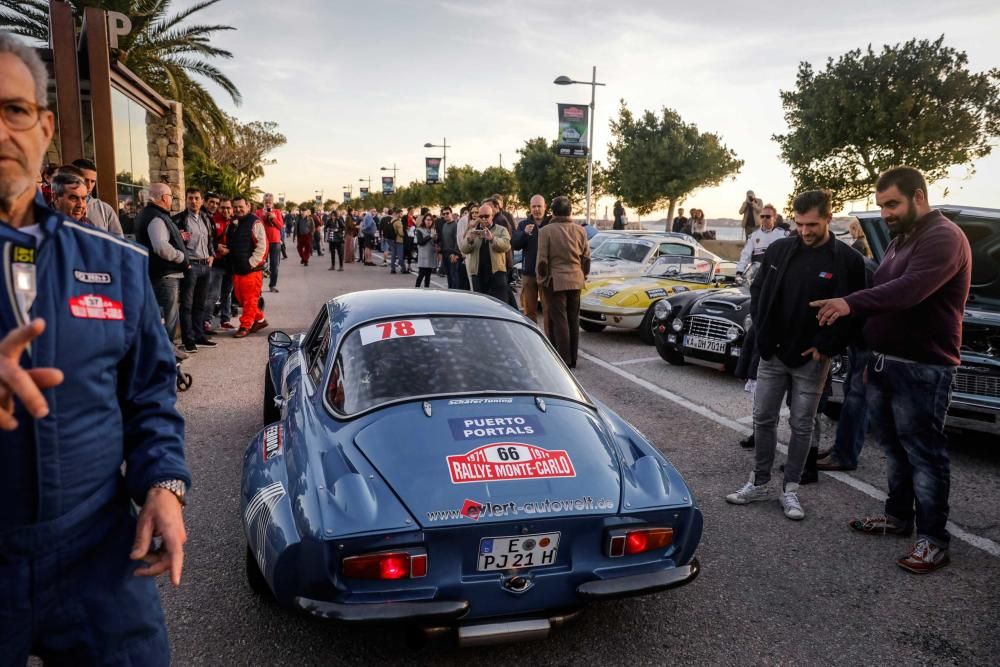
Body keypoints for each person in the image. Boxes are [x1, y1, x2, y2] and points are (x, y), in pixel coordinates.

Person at [0, 34, 190, 664]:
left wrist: (164, 484)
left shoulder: (115, 264)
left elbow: (150, 392)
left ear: (45, 127)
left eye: (15, 110)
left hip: (95, 550)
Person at [812, 167, 972, 574]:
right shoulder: (902, 239)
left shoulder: (943, 237)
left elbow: (909, 290)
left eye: (892, 204)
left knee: (925, 455)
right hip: (884, 364)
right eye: (881, 205)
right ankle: (898, 517)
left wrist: (851, 302)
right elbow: (883, 289)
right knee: (893, 450)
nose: (885, 213)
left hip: (923, 368)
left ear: (919, 197)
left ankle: (934, 539)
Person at [725, 190, 866, 521]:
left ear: (830, 218)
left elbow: (856, 310)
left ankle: (791, 489)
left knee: (802, 424)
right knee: (763, 418)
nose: (804, 231)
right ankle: (759, 482)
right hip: (773, 353)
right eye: (800, 224)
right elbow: (758, 291)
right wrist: (762, 335)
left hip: (813, 359)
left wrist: (827, 346)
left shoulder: (847, 260)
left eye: (812, 225)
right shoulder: (779, 249)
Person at [536, 196, 590, 367]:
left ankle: (562, 360)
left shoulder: (546, 231)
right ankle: (573, 359)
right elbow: (586, 258)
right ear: (570, 211)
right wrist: (583, 275)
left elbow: (542, 261)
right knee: (573, 319)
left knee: (559, 320)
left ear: (552, 211)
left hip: (555, 281)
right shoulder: (580, 230)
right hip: (576, 279)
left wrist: (541, 280)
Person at [135, 183, 188, 353]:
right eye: (171, 196)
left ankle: (164, 350)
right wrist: (180, 256)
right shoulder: (156, 217)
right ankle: (166, 353)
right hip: (165, 275)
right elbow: (161, 247)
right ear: (164, 197)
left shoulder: (150, 214)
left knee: (163, 316)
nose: (171, 200)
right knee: (168, 317)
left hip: (159, 273)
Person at [174, 187, 216, 353]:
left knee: (201, 304)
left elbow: (210, 239)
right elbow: (173, 241)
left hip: (206, 265)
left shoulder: (205, 218)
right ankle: (188, 340)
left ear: (201, 201)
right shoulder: (179, 219)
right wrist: (185, 262)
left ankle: (199, 336)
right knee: (187, 305)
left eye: (197, 198)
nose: (193, 201)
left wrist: (212, 255)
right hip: (191, 266)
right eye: (190, 198)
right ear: (186, 200)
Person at [228, 196, 269, 338]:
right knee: (241, 298)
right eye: (236, 207)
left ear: (248, 206)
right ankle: (260, 320)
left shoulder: (255, 223)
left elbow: (262, 247)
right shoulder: (235, 223)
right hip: (238, 269)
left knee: (250, 299)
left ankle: (245, 326)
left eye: (241, 206)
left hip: (251, 271)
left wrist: (250, 263)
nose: (238, 209)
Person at [460, 203, 511, 300]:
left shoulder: (501, 230)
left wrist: (492, 239)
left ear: (492, 216)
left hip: (496, 273)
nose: (484, 219)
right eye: (481, 216)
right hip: (478, 274)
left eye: (486, 216)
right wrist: (469, 240)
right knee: (481, 305)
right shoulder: (473, 231)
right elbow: (463, 249)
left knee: (500, 304)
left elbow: (507, 246)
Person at [511, 194, 550, 324]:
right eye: (534, 206)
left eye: (539, 206)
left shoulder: (551, 223)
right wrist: (524, 234)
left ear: (545, 207)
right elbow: (515, 245)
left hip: (547, 274)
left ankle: (549, 340)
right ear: (530, 208)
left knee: (548, 311)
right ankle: (532, 340)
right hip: (529, 273)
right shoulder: (523, 224)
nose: (536, 209)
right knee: (529, 311)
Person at [70, 157, 124, 236]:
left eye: (92, 181)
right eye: (85, 180)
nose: (89, 186)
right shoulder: (58, 206)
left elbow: (118, 243)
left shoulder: (105, 209)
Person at [735, 203, 788, 275]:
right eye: (762, 216)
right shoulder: (753, 236)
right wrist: (739, 272)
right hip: (757, 275)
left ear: (775, 218)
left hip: (776, 274)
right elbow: (746, 255)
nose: (764, 218)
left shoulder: (782, 235)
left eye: (768, 216)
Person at [209, 197, 237, 330]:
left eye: (228, 207)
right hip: (217, 262)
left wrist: (230, 250)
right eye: (223, 207)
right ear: (219, 208)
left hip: (230, 263)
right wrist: (217, 247)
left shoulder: (236, 222)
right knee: (213, 294)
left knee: (227, 293)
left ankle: (225, 320)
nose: (225, 210)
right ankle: (207, 320)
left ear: (232, 209)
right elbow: (207, 240)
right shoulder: (212, 221)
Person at [255, 193, 284, 294]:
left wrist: (273, 218)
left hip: (275, 242)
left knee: (274, 265)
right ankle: (258, 287)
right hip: (263, 242)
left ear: (272, 203)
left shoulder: (277, 212)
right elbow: (256, 226)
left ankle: (272, 285)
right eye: (266, 202)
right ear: (263, 202)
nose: (268, 204)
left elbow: (280, 226)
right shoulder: (258, 212)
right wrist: (263, 216)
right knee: (260, 265)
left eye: (270, 202)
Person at [439, 207, 465, 289]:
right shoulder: (444, 225)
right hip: (445, 254)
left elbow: (457, 241)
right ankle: (450, 292)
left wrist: (455, 253)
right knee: (449, 276)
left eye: (447, 213)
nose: (446, 215)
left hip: (453, 255)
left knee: (454, 276)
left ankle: (455, 294)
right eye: (444, 214)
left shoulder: (456, 225)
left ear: (451, 214)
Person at [414, 212, 437, 287]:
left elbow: (436, 241)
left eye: (430, 220)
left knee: (428, 276)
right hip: (423, 256)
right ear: (424, 221)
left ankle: (427, 290)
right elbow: (420, 242)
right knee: (421, 275)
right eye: (427, 220)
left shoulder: (433, 230)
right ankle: (416, 289)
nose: (429, 221)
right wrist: (430, 236)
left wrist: (436, 239)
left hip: (431, 255)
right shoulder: (419, 230)